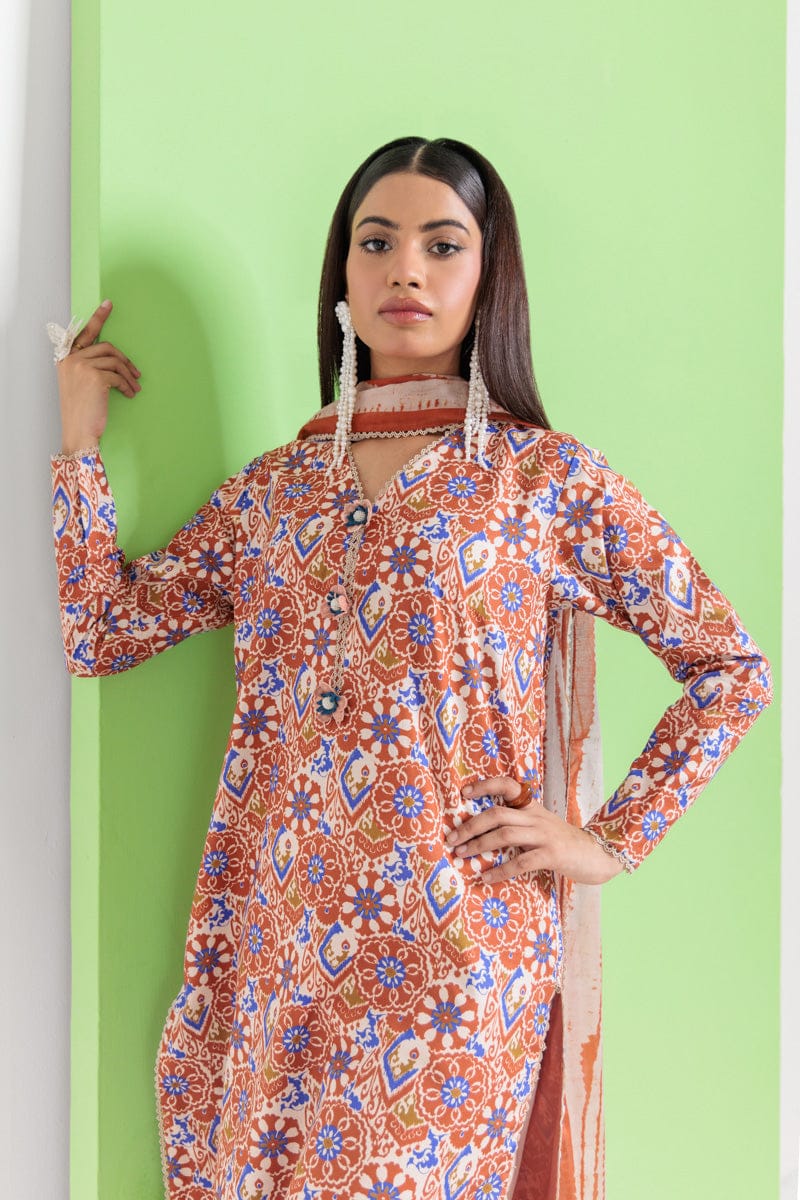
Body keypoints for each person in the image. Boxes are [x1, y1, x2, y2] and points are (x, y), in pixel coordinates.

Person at [49, 136, 772, 1200]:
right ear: (341, 275)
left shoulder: (538, 478)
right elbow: (103, 631)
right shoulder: (276, 495)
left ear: (488, 278)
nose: (406, 271)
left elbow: (729, 668)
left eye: (442, 246)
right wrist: (78, 447)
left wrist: (609, 841)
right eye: (376, 242)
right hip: (278, 943)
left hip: (452, 961)